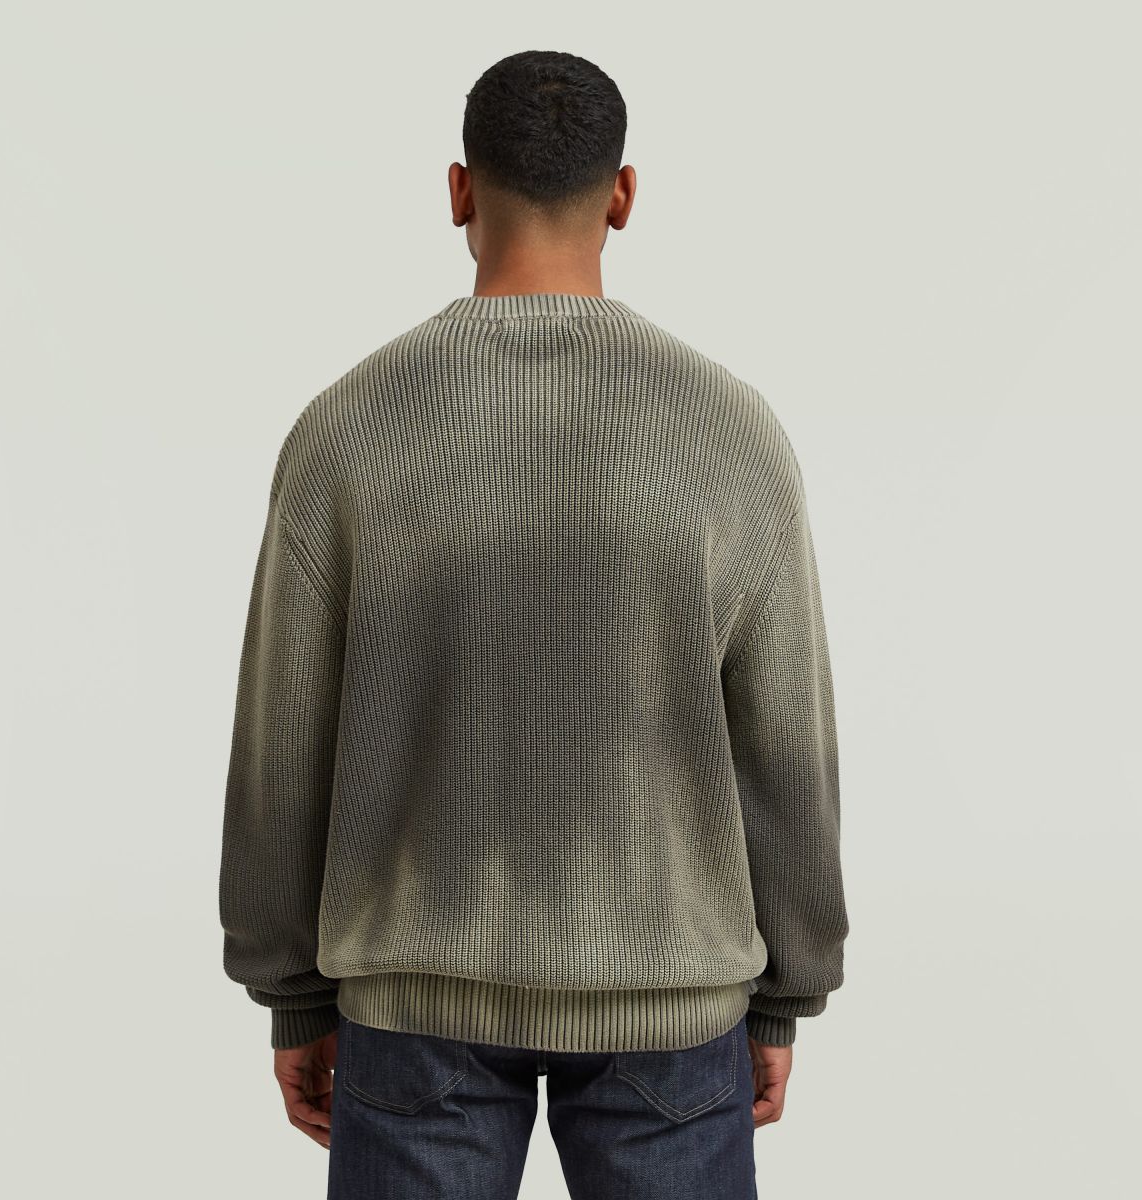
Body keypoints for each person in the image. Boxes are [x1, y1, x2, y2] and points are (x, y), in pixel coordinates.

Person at [218, 48, 849, 1200]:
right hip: (671, 1000)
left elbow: (282, 746)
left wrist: (292, 994)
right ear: (623, 196)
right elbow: (786, 743)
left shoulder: (346, 431)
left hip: (414, 1003)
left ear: (460, 191)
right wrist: (786, 993)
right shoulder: (730, 429)